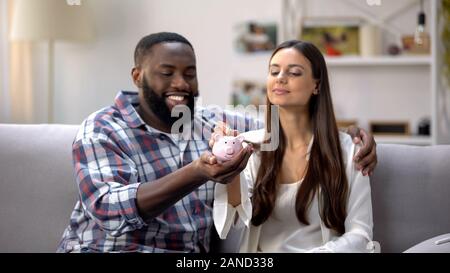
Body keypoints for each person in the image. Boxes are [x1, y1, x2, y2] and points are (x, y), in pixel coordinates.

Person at [57, 32, 377, 252]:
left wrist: (348, 135)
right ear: (138, 76)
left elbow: (285, 127)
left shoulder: (209, 124)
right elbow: (110, 209)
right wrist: (197, 172)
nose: (180, 83)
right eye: (166, 73)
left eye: (189, 73)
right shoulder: (102, 129)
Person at [213, 40, 375, 252]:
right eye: (274, 71)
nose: (280, 78)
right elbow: (233, 221)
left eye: (294, 72)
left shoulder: (350, 151)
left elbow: (361, 235)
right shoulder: (252, 148)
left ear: (316, 85)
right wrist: (232, 168)